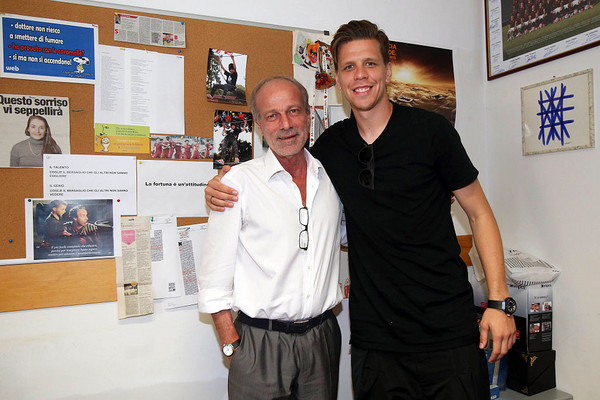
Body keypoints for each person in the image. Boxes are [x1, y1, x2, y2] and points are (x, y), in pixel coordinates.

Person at [205, 20, 516, 400]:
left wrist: (499, 302)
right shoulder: (330, 151)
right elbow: (286, 170)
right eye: (349, 67)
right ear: (337, 77)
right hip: (375, 343)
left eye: (370, 63)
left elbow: (480, 213)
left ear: (387, 70)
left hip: (447, 332)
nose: (360, 75)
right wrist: (221, 182)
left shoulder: (432, 132)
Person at [198, 75, 343, 400]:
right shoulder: (236, 183)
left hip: (322, 339)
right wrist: (231, 343)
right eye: (272, 115)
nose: (286, 124)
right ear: (259, 125)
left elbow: (345, 234)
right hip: (259, 342)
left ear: (308, 115)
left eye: (293, 111)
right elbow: (213, 274)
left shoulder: (332, 177)